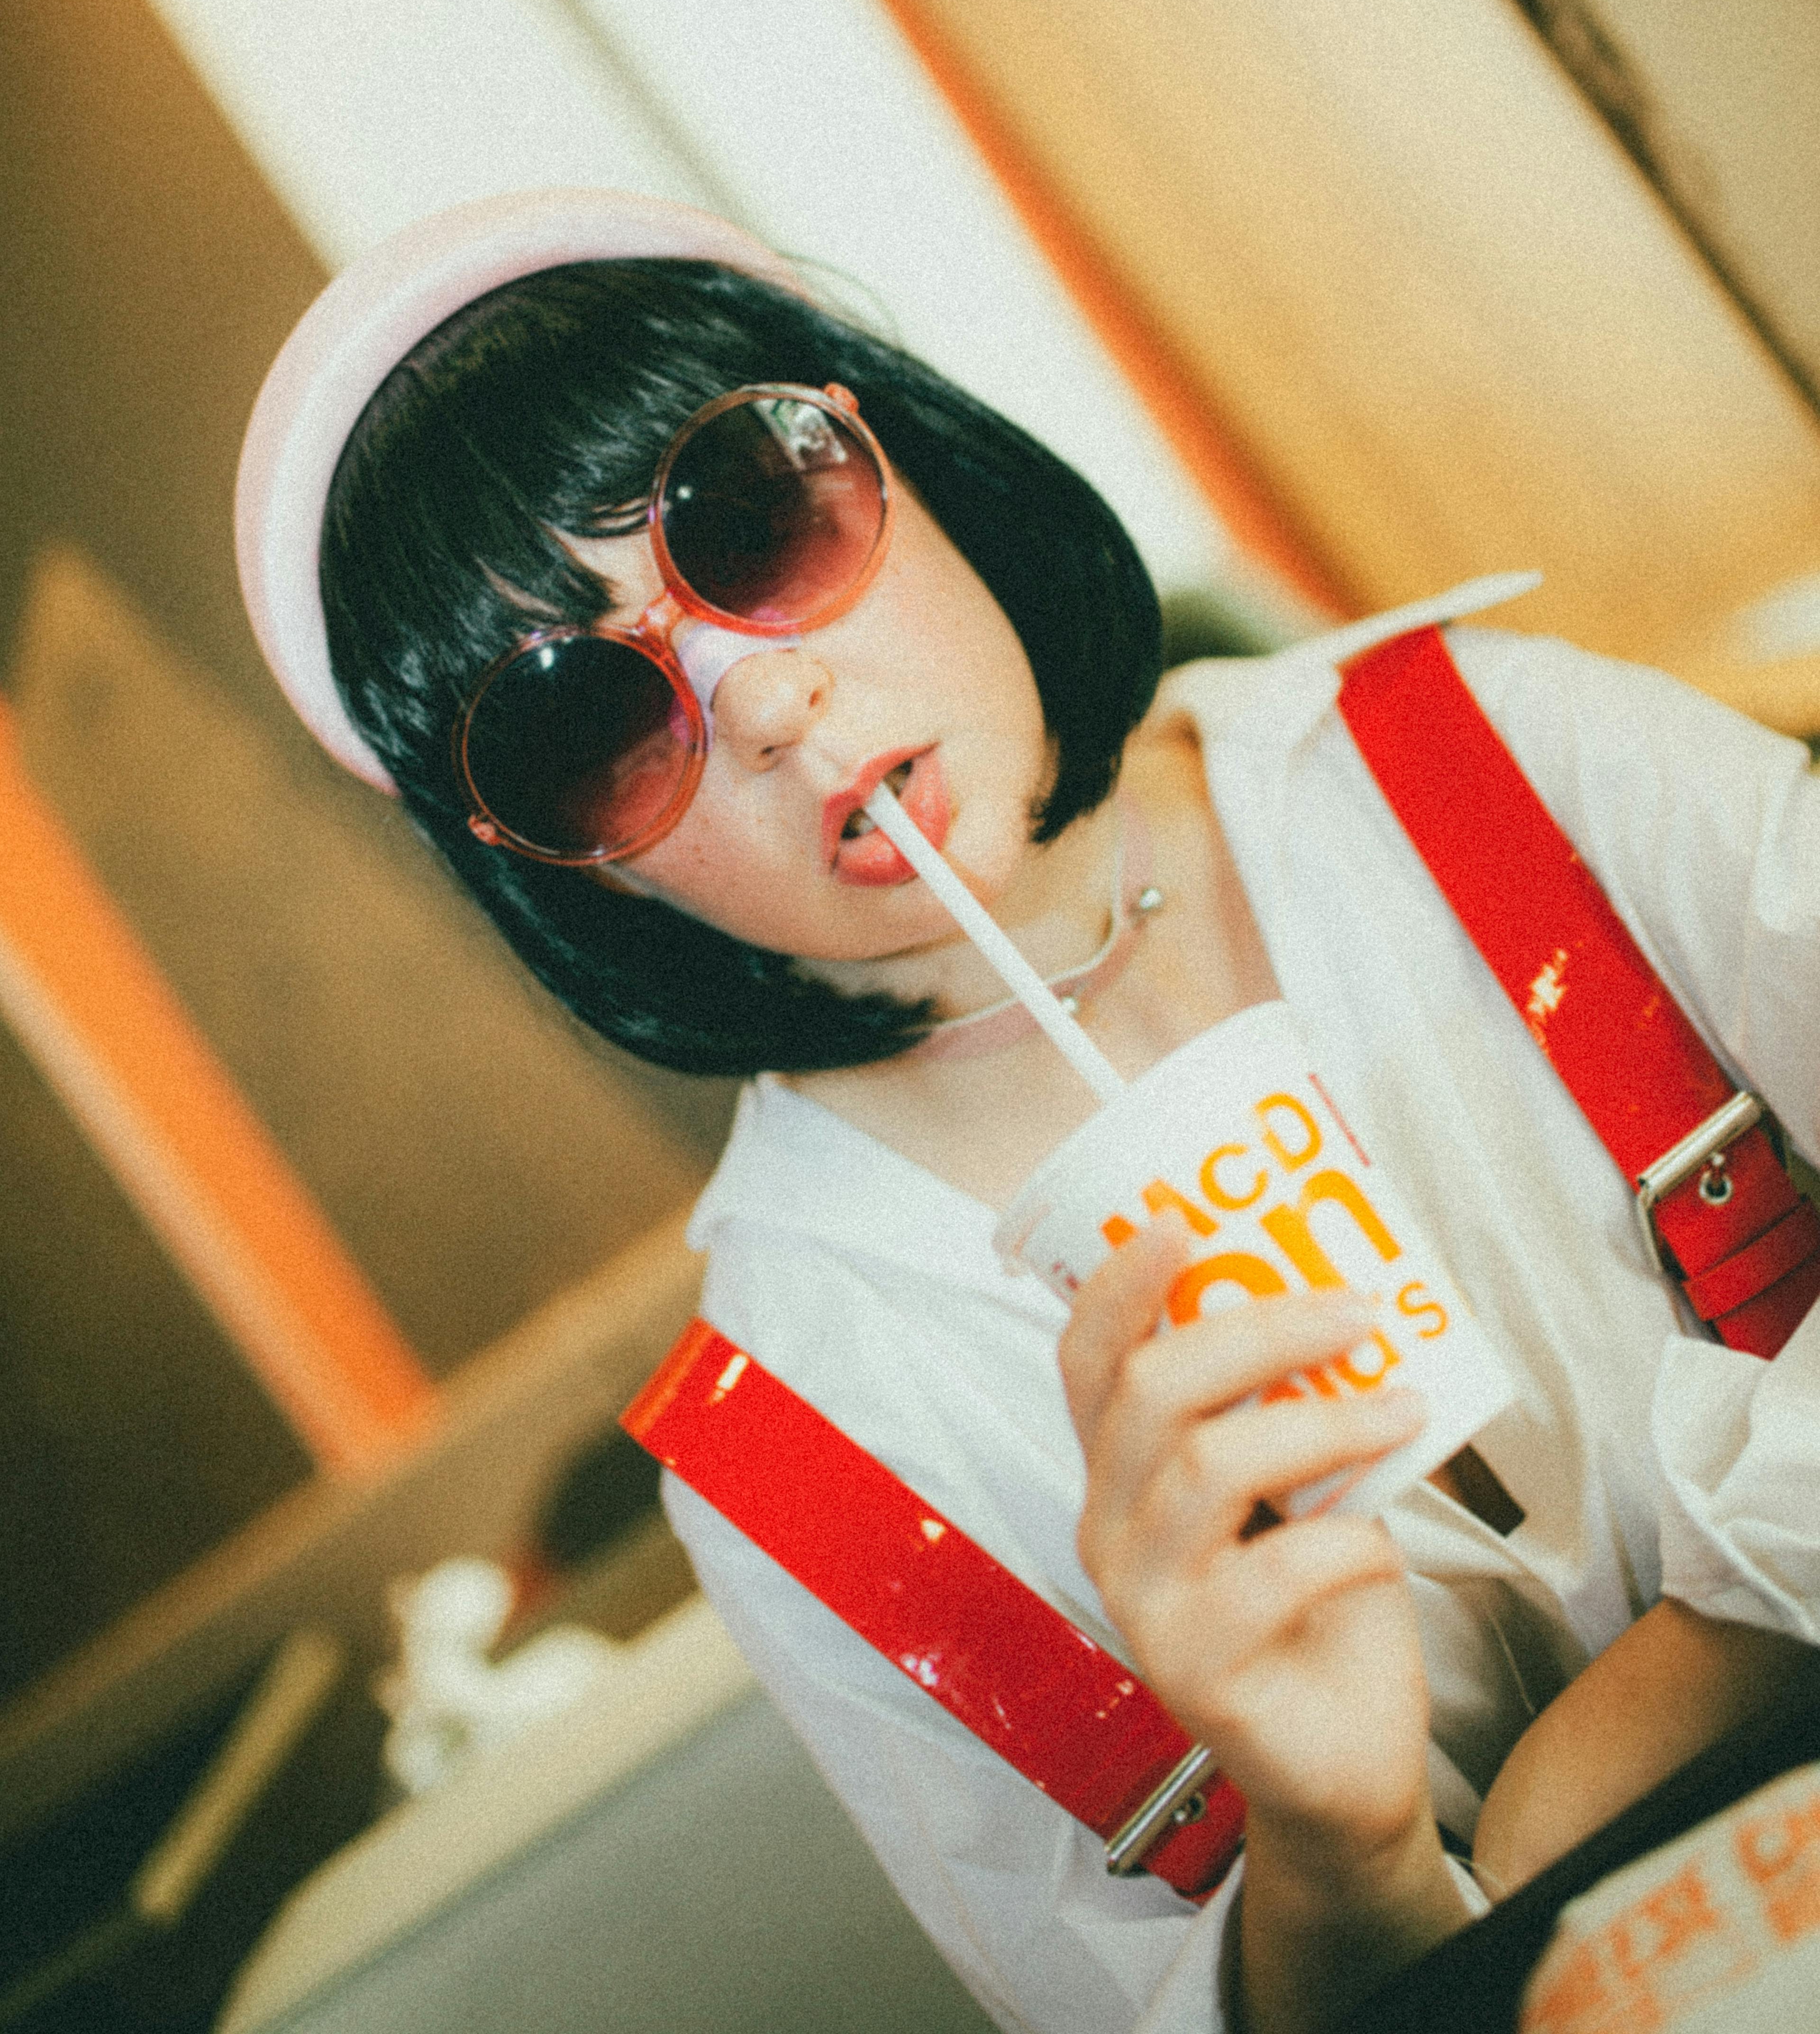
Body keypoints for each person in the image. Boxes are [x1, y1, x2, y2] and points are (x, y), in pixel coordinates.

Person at [237, 189, 1820, 2034]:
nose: (759, 699)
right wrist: (1334, 1847)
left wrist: (1663, 1700)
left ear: (899, 452)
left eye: (753, 518)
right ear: (562, 871)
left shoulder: (1489, 759)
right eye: (588, 721)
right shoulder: (801, 1441)